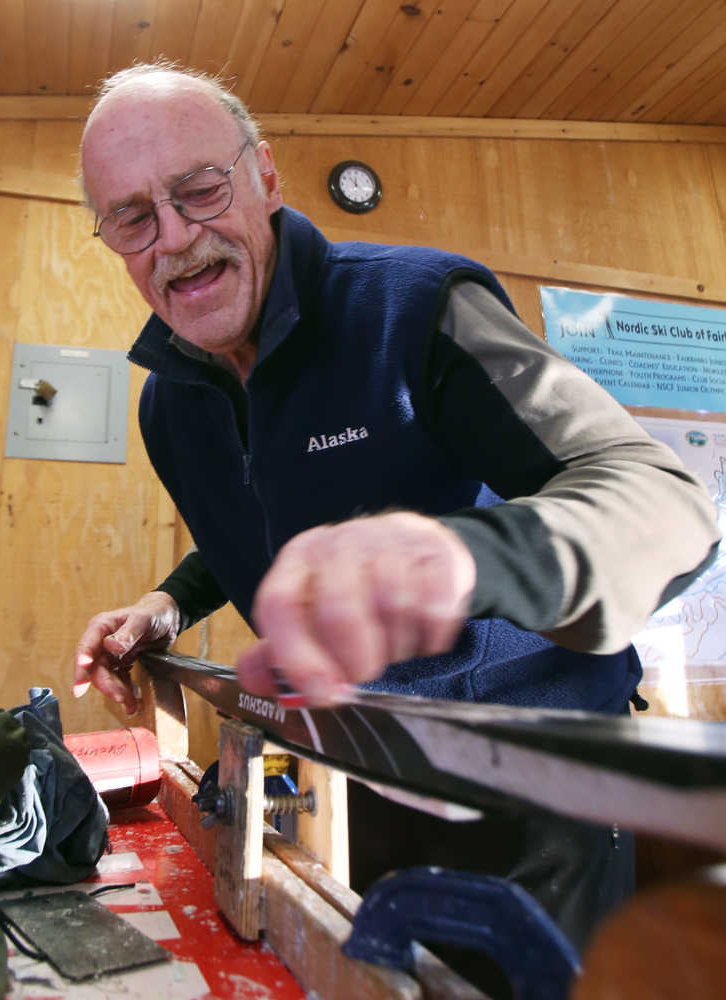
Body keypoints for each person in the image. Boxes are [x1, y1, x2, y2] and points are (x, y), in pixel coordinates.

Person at [72, 62, 719, 958]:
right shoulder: (170, 405)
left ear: (264, 176)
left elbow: (663, 502)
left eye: (200, 190)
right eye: (133, 217)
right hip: (351, 771)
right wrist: (168, 604)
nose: (176, 238)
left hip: (533, 779)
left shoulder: (415, 309)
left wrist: (459, 561)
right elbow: (266, 524)